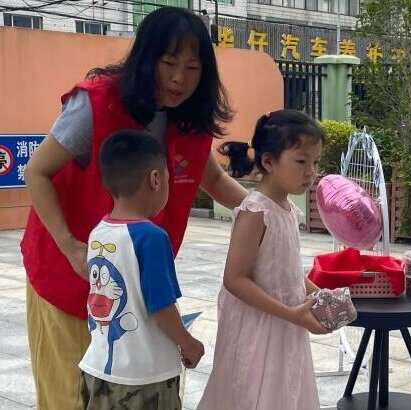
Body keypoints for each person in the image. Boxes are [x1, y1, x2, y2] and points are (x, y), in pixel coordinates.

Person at [21, 7, 246, 409]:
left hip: (132, 290)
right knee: (68, 396)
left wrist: (266, 210)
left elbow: (212, 180)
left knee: (130, 391)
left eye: (192, 68)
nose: (179, 79)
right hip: (68, 273)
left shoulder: (188, 121)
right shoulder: (96, 104)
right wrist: (71, 247)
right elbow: (37, 172)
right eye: (169, 63)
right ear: (146, 58)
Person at [198, 110, 329, 410]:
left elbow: (285, 271)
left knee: (284, 390)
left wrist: (317, 293)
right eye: (301, 162)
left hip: (286, 323)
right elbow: (234, 279)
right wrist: (290, 313)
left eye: (316, 162)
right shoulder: (255, 211)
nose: (311, 172)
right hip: (257, 328)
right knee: (254, 392)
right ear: (269, 162)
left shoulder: (287, 210)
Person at [80, 130, 204, 409]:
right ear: (155, 179)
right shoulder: (151, 237)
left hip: (97, 369)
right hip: (144, 379)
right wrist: (188, 343)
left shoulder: (98, 232)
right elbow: (161, 308)